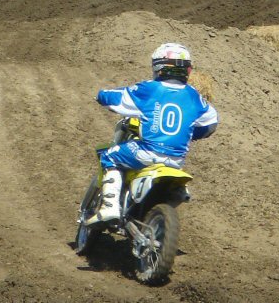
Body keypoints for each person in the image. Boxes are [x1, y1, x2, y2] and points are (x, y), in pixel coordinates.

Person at [84, 42, 219, 225]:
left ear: (159, 67)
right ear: (187, 69)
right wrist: (191, 133)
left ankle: (110, 207)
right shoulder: (194, 95)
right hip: (176, 160)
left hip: (147, 152)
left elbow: (119, 98)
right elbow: (211, 123)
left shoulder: (149, 89)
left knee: (109, 156)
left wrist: (101, 95)